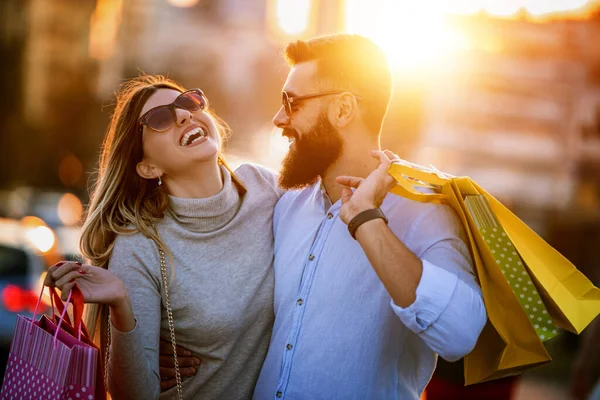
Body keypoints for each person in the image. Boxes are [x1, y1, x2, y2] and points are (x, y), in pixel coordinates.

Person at [161, 34, 487, 399]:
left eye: (292, 102)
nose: (279, 117)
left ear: (344, 109)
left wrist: (367, 221)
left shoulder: (427, 212)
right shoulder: (285, 205)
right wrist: (173, 345)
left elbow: (460, 335)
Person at [44, 75, 282, 399]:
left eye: (188, 102)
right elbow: (136, 396)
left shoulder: (267, 188)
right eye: (159, 119)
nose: (184, 115)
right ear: (147, 168)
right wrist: (121, 305)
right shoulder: (141, 246)